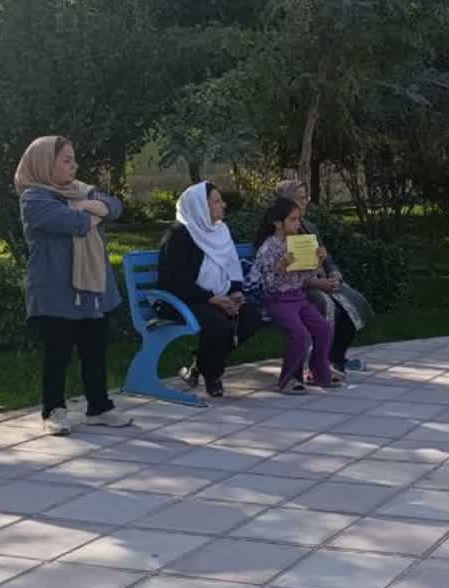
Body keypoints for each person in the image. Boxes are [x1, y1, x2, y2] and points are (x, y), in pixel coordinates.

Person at [15, 136, 132, 435]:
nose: (74, 166)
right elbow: (74, 224)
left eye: (73, 159)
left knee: (95, 350)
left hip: (93, 287)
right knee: (57, 354)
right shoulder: (34, 199)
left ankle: (99, 407)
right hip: (56, 289)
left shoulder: (80, 190)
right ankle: (53, 410)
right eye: (66, 160)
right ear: (44, 164)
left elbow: (115, 207)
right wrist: (93, 212)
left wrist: (87, 206)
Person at [158, 182, 264, 398]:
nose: (223, 205)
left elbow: (231, 266)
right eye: (216, 201)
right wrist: (211, 299)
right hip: (184, 300)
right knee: (219, 325)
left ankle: (200, 364)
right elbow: (175, 282)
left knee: (251, 316)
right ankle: (212, 375)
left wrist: (235, 292)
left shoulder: (220, 230)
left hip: (217, 296)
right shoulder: (178, 235)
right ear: (199, 206)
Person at [274, 178, 360, 380]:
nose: (305, 202)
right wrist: (317, 283)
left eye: (306, 197)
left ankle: (335, 359)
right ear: (287, 202)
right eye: (300, 198)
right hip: (297, 287)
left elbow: (325, 257)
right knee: (329, 307)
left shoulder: (309, 226)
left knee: (354, 305)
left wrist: (333, 272)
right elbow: (282, 273)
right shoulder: (278, 231)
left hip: (321, 281)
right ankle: (319, 365)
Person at [247, 197, 335, 393]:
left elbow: (306, 276)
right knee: (299, 334)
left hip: (298, 297)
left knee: (323, 328)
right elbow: (268, 285)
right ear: (278, 223)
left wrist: (318, 261)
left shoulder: (297, 243)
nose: (298, 224)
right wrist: (281, 268)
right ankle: (287, 380)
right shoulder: (268, 248)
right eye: (293, 220)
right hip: (277, 300)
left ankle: (318, 372)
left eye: (298, 219)